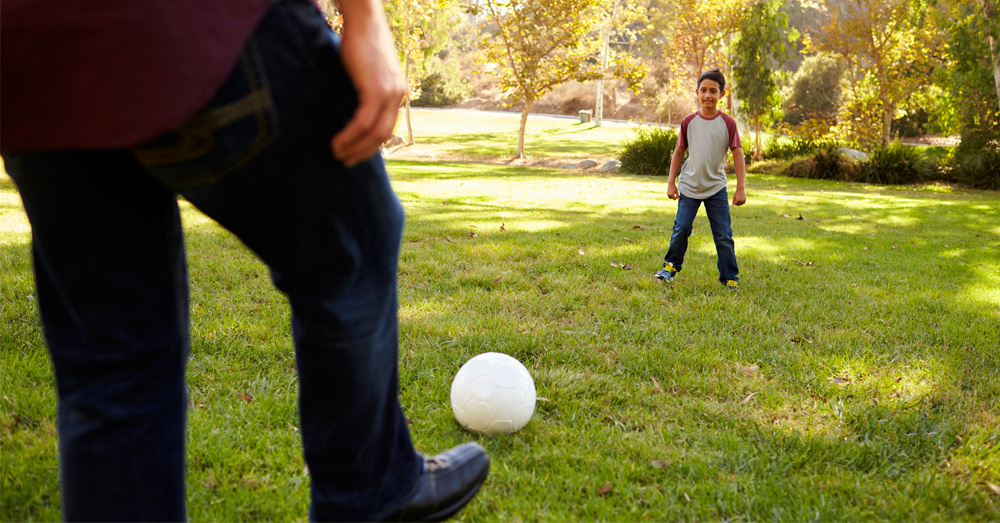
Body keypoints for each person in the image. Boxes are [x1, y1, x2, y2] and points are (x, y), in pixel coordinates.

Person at [0, 0, 489, 521]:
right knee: (349, 248)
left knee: (114, 363)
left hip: (30, 61)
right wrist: (365, 18)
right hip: (196, 26)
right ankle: (371, 494)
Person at [654, 68, 747, 291]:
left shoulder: (728, 123)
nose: (708, 95)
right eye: (703, 90)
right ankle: (670, 267)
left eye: (713, 91)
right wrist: (671, 182)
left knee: (723, 235)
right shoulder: (689, 121)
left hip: (716, 187)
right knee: (682, 228)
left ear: (722, 94)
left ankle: (729, 277)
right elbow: (679, 151)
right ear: (697, 92)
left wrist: (740, 188)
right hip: (689, 186)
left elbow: (738, 154)